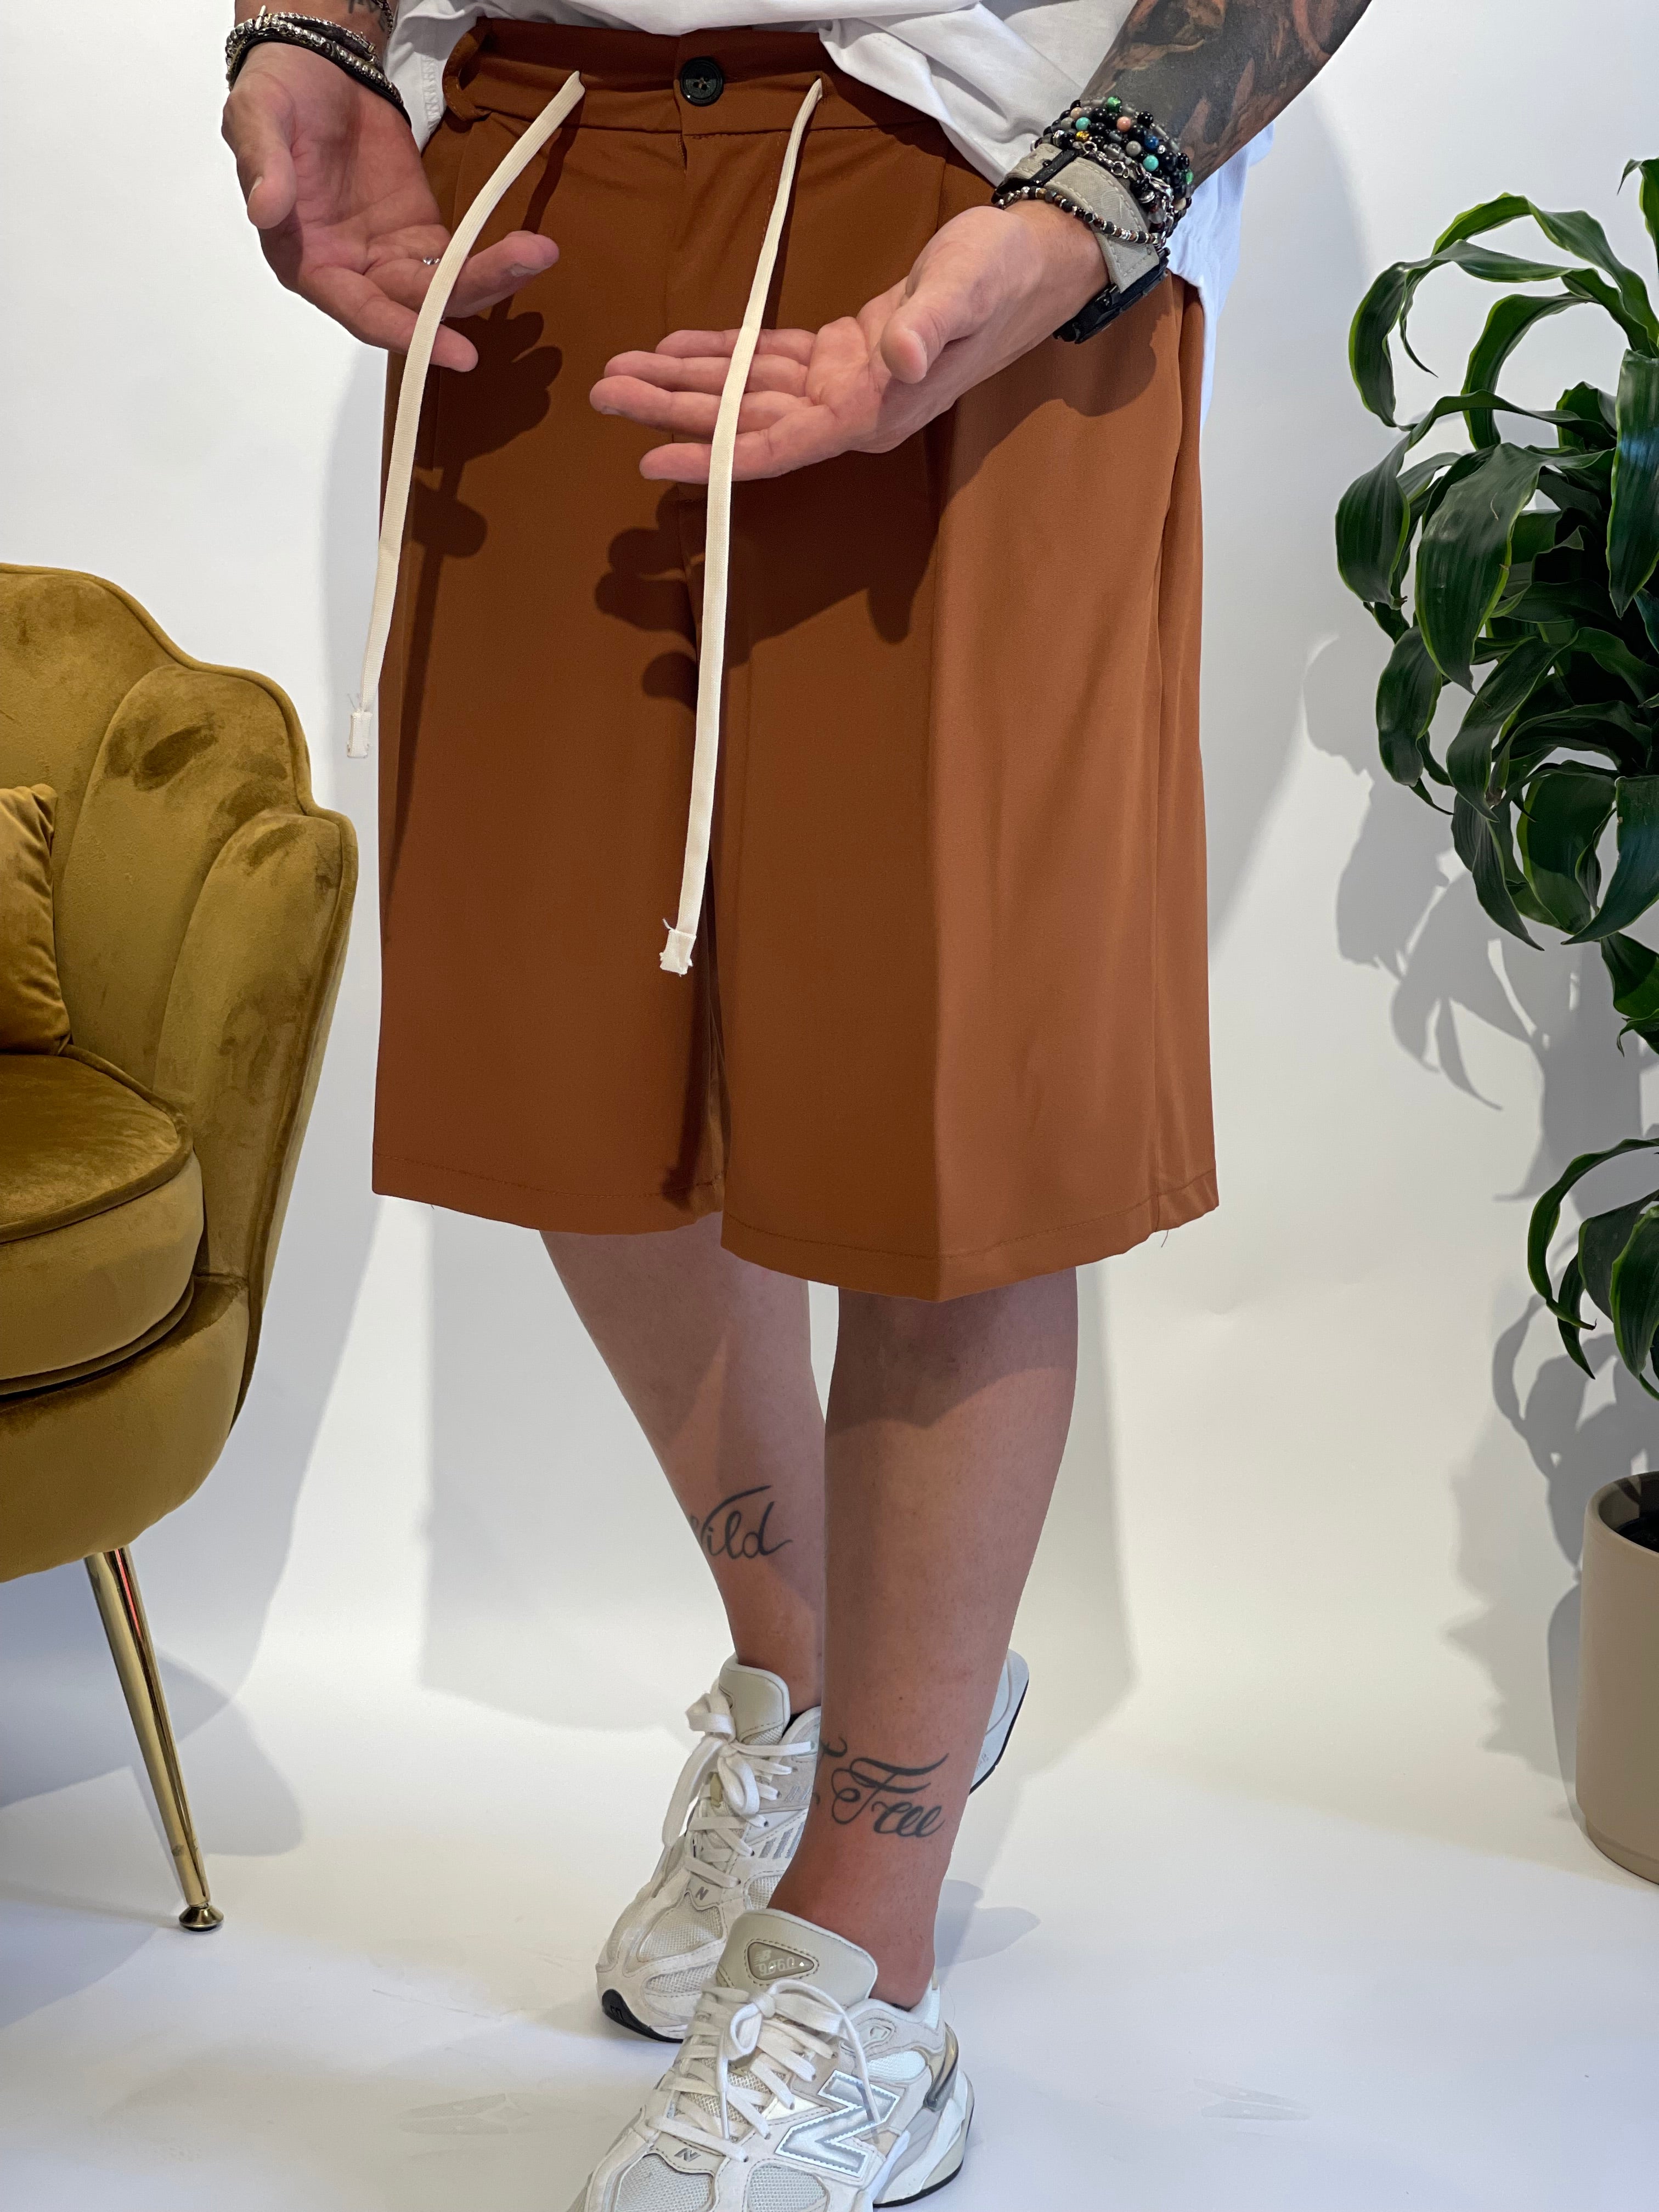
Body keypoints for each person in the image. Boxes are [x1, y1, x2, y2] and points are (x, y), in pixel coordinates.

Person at [223, 1, 1373, 2201]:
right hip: (530, 173)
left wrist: (1085, 214)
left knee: (942, 1115)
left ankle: (866, 1951)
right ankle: (810, 1680)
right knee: (568, 1049)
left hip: (964, 187)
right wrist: (308, 34)